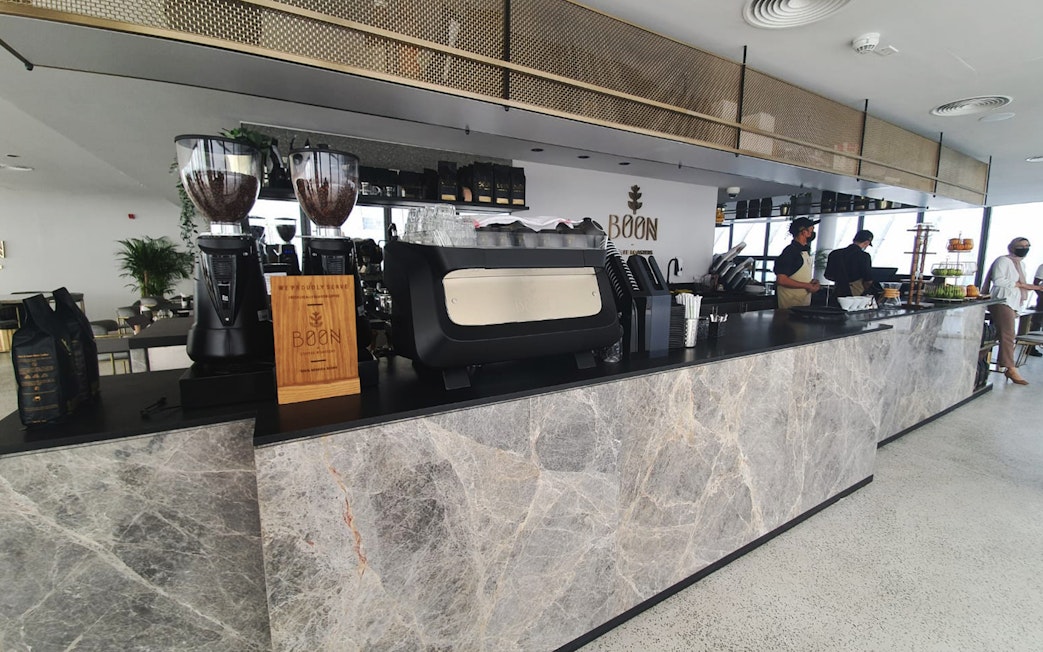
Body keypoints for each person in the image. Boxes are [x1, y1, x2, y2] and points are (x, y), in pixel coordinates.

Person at [981, 237, 1043, 384]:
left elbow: (1022, 285)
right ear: (1012, 246)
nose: (1025, 248)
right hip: (1002, 301)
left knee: (998, 333)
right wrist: (1022, 285)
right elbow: (999, 280)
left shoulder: (1021, 265)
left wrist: (1024, 286)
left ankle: (977, 357)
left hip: (1012, 303)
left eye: (1027, 245)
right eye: (1021, 246)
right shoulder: (1003, 261)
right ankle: (1010, 368)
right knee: (1009, 334)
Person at [774, 217, 821, 309]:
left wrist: (812, 282)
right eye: (811, 230)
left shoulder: (805, 252)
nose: (813, 233)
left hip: (802, 304)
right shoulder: (790, 252)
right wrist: (807, 285)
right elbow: (781, 280)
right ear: (804, 232)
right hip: (789, 306)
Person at [825, 229, 875, 298]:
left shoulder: (835, 253)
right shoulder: (864, 256)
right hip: (856, 292)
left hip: (837, 291)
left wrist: (841, 280)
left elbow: (828, 275)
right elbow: (868, 280)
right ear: (866, 242)